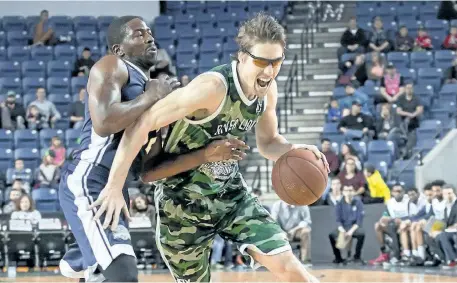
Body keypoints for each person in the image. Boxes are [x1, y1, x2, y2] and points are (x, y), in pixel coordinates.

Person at [93, 13, 328, 283]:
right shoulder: (211, 88)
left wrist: (293, 149)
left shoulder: (268, 90)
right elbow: (142, 124)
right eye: (261, 61)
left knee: (294, 271)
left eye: (276, 62)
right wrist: (114, 185)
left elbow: (268, 143)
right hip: (182, 207)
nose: (269, 71)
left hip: (231, 197)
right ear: (242, 56)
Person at [57, 16, 249, 283]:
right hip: (89, 177)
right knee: (122, 275)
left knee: (110, 269)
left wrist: (206, 154)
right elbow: (103, 123)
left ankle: (79, 258)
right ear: (118, 48)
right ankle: (86, 261)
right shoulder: (112, 65)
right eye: (138, 34)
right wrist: (151, 96)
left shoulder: (152, 88)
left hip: (116, 187)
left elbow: (149, 171)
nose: (149, 37)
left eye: (149, 32)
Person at [369, 183, 412, 265]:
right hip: (393, 224)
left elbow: (413, 216)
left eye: (400, 191)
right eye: (396, 191)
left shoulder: (408, 201)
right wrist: (383, 219)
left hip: (405, 224)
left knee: (394, 226)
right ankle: (383, 253)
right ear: (392, 193)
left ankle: (397, 256)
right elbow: (386, 215)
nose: (398, 193)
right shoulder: (390, 202)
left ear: (404, 192)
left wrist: (401, 220)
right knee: (377, 225)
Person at [329, 185, 365, 264]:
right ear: (343, 192)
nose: (349, 192)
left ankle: (357, 256)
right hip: (343, 227)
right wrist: (342, 230)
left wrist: (350, 232)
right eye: (346, 190)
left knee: (361, 234)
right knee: (331, 235)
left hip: (353, 227)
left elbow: (359, 221)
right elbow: (338, 220)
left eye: (351, 190)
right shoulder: (339, 204)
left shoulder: (358, 202)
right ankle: (338, 257)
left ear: (354, 192)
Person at [270, 200, 312, 265]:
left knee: (306, 232)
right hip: (281, 231)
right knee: (273, 232)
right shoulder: (277, 205)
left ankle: (305, 261)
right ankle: (278, 261)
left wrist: (294, 230)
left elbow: (306, 221)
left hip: (297, 230)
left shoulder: (302, 204)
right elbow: (273, 223)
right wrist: (282, 232)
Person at [435, 184, 457, 268]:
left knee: (443, 235)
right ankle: (444, 259)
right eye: (445, 194)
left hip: (454, 230)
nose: (448, 196)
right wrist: (433, 229)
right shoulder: (446, 206)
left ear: (454, 193)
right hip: (450, 229)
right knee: (431, 234)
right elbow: (445, 221)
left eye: (450, 193)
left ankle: (452, 260)